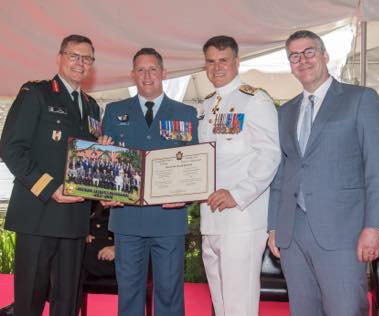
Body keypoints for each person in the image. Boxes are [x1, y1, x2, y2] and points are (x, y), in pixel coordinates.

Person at [268, 30, 379, 316]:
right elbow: (281, 172)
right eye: (294, 56)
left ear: (325, 55)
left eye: (309, 52)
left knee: (346, 310)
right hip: (292, 234)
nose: (303, 60)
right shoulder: (284, 112)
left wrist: (374, 227)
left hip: (344, 232)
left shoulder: (361, 99)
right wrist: (273, 225)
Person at [0, 34, 101, 316]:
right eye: (73, 55)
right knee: (29, 301)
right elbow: (10, 148)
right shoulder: (36, 93)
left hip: (75, 219)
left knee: (67, 302)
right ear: (59, 58)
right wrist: (49, 187)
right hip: (38, 214)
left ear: (92, 64)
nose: (80, 63)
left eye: (87, 58)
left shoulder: (92, 106)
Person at [102, 48, 198, 316]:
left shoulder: (185, 112)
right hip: (126, 218)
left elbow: (193, 165)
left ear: (164, 73)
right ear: (132, 74)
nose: (147, 75)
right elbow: (107, 160)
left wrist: (187, 196)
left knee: (169, 292)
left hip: (169, 218)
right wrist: (103, 189)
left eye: (152, 69)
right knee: (129, 291)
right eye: (140, 69)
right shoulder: (113, 111)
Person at [198, 35, 281, 316]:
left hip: (242, 218)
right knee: (221, 304)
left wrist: (238, 194)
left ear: (236, 61)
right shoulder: (206, 105)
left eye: (223, 60)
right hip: (210, 218)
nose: (216, 67)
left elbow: (269, 154)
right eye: (210, 61)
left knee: (239, 305)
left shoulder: (255, 100)